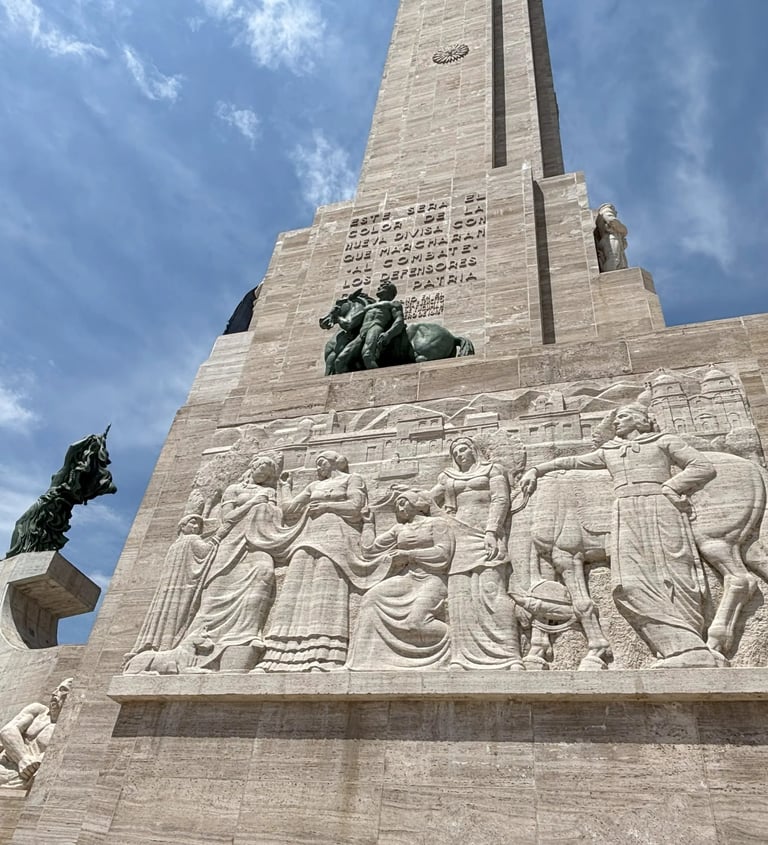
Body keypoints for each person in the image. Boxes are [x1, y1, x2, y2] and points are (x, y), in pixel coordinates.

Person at [520, 404, 719, 668]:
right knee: (627, 585)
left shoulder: (664, 441)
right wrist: (537, 469)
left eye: (622, 416)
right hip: (624, 510)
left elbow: (702, 466)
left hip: (660, 507)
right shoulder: (610, 450)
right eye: (616, 418)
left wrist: (672, 485)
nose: (616, 422)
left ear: (641, 420)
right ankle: (677, 648)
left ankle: (693, 649)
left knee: (675, 575)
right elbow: (573, 461)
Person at [259, 451, 388, 672]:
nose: (318, 468)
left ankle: (324, 656)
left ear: (334, 462)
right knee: (294, 587)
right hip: (309, 535)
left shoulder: (351, 479)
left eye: (321, 463)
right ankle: (276, 656)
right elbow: (288, 509)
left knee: (326, 585)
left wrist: (328, 506)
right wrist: (284, 487)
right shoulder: (313, 487)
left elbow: (356, 506)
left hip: (337, 534)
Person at [183, 453, 304, 672]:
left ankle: (249, 634)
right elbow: (226, 518)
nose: (264, 475)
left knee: (264, 573)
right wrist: (252, 504)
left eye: (268, 473)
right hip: (232, 541)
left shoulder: (269, 492)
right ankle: (199, 643)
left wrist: (269, 504)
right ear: (253, 467)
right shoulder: (234, 490)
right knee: (216, 589)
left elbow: (277, 515)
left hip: (260, 540)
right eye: (261, 470)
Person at [429, 437, 524, 669]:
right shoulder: (448, 477)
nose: (460, 453)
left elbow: (501, 499)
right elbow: (430, 499)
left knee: (493, 591)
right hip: (459, 535)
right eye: (456, 451)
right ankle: (460, 657)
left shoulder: (492, 470)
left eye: (464, 449)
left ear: (473, 450)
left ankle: (510, 655)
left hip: (486, 532)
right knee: (460, 595)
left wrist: (492, 530)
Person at [349, 490, 455, 670]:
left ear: (416, 504)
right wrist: (368, 524)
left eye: (403, 502)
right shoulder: (399, 529)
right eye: (397, 504)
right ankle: (364, 662)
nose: (399, 507)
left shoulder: (437, 524)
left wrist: (409, 554)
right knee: (371, 598)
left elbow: (443, 553)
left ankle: (457, 639)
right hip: (409, 578)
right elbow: (369, 549)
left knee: (416, 624)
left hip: (432, 578)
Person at [127, 514, 216, 659]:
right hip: (183, 586)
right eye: (192, 523)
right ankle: (168, 645)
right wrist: (220, 534)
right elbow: (205, 552)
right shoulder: (192, 539)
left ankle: (155, 644)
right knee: (178, 614)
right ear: (182, 526)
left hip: (169, 588)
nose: (196, 528)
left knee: (164, 613)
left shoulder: (175, 544)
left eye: (198, 526)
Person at [0, 679, 73, 790]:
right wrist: (22, 758)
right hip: (7, 763)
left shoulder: (70, 728)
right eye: (56, 689)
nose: (54, 693)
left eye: (62, 690)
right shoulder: (38, 710)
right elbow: (8, 730)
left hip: (22, 777)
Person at [335, 282, 406, 371]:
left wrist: (388, 334)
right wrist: (336, 317)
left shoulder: (393, 304)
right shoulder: (368, 307)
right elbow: (349, 324)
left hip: (375, 328)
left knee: (367, 355)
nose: (379, 287)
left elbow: (399, 321)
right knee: (340, 360)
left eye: (383, 286)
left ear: (390, 291)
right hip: (362, 332)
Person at [595, 202, 628, 272]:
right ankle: (609, 275)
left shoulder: (600, 216)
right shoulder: (606, 212)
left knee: (617, 259)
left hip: (608, 238)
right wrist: (624, 230)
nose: (615, 212)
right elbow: (612, 221)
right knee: (614, 257)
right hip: (610, 238)